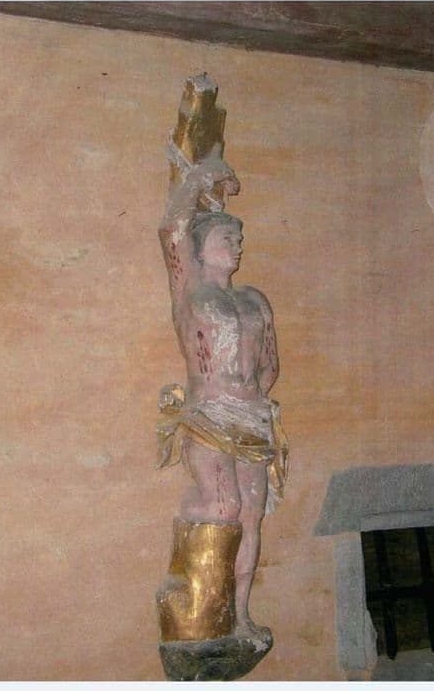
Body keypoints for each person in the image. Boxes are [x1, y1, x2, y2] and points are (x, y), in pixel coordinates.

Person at [157, 157, 287, 637]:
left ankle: (240, 616)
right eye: (226, 238)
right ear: (199, 250)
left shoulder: (254, 300)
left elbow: (270, 362)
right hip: (209, 415)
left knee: (251, 515)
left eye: (238, 238)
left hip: (251, 418)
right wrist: (202, 175)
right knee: (223, 506)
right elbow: (171, 228)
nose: (237, 245)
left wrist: (251, 399)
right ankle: (194, 589)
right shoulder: (189, 294)